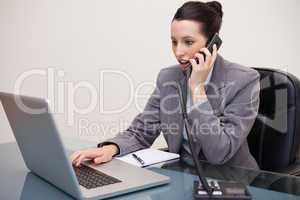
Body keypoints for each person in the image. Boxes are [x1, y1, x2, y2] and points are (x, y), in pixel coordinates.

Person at [71, 1, 260, 170]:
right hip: (183, 176)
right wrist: (110, 149)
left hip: (234, 181)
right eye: (174, 42)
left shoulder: (244, 81)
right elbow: (142, 131)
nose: (178, 52)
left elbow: (220, 152)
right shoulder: (168, 77)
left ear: (212, 43)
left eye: (188, 42)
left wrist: (197, 90)